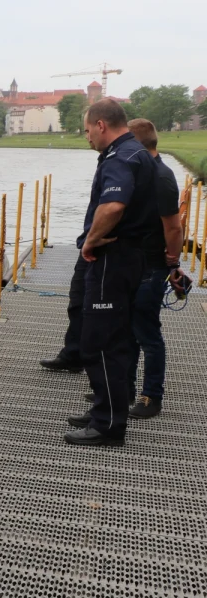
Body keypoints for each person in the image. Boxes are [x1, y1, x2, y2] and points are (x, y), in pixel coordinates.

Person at [50, 99, 157, 446]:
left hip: (113, 258)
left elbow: (113, 204)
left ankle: (108, 425)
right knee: (118, 337)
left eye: (86, 130)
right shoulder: (138, 154)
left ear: (100, 125)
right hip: (130, 259)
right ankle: (105, 409)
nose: (86, 138)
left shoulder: (119, 157)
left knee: (102, 340)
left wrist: (90, 241)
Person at [117, 119, 185, 419]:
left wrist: (172, 263)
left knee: (147, 333)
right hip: (135, 261)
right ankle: (126, 389)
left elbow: (173, 225)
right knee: (129, 330)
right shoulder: (143, 172)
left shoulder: (161, 177)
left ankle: (151, 396)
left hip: (153, 264)